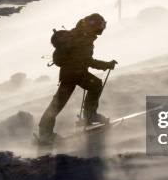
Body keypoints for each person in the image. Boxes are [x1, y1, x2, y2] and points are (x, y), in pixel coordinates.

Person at [38, 13, 117, 145]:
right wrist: (106, 65)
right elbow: (88, 61)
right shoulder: (83, 38)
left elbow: (84, 60)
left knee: (92, 86)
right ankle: (88, 116)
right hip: (74, 74)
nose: (102, 28)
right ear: (94, 25)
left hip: (72, 74)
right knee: (60, 102)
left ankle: (46, 132)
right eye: (101, 25)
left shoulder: (82, 35)